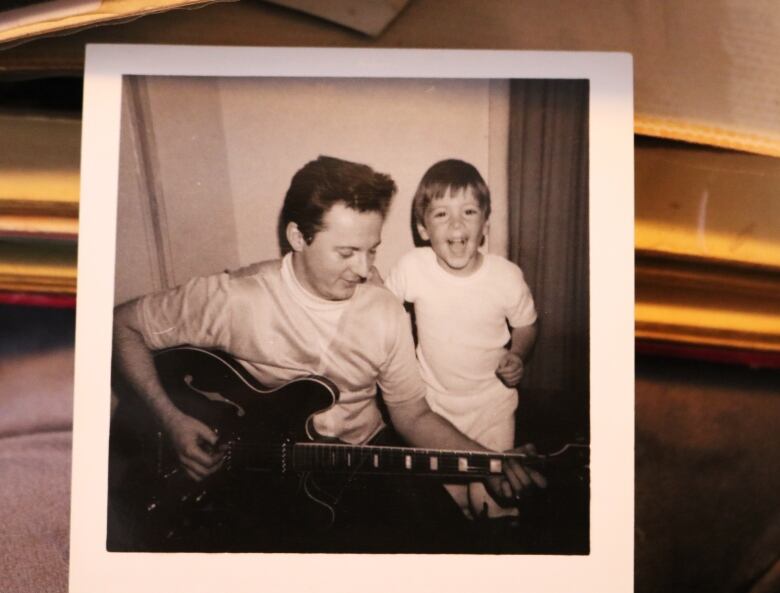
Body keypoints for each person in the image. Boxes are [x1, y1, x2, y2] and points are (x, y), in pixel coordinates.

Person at [110, 155, 544, 553]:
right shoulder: (236, 300)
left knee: (449, 551)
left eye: (371, 250)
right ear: (298, 236)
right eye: (346, 252)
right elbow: (122, 324)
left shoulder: (383, 311)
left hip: (360, 457)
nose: (364, 270)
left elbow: (412, 414)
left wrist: (489, 463)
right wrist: (172, 419)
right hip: (254, 472)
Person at [385, 159, 541, 520]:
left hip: (491, 408)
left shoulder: (506, 277)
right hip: (433, 408)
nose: (456, 224)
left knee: (492, 502)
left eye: (469, 211)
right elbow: (382, 307)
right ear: (423, 228)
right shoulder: (412, 267)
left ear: (485, 225)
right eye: (441, 214)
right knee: (450, 507)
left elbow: (527, 325)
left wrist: (518, 354)